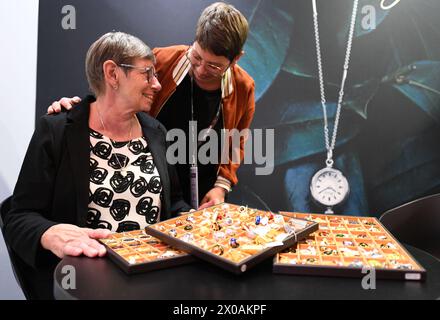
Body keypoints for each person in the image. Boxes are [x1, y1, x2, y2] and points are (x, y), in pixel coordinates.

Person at [3, 32, 191, 299]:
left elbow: (173, 205)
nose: (157, 84)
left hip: (154, 282)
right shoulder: (58, 130)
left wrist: (198, 221)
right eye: (148, 74)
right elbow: (18, 217)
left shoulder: (156, 131)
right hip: (87, 286)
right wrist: (48, 233)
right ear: (112, 73)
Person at [48, 2, 255, 209]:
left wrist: (221, 186)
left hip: (204, 194)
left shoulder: (243, 87)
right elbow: (119, 98)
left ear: (235, 59)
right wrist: (80, 110)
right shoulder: (163, 62)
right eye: (197, 57)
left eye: (213, 66)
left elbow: (237, 143)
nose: (201, 70)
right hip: (151, 181)